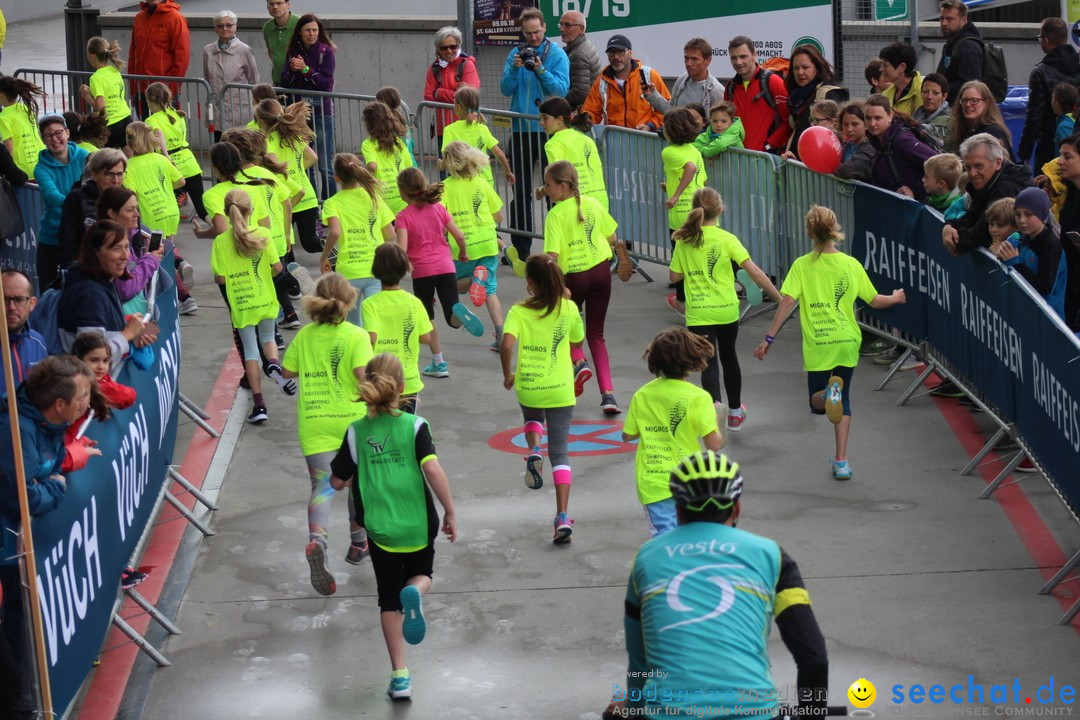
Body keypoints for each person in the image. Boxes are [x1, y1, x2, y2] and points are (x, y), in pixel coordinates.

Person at [608, 450, 829, 719]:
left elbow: (640, 659)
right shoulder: (772, 555)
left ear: (678, 509)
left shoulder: (647, 558)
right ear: (736, 508)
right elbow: (813, 659)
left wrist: (633, 709)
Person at [328, 352, 457, 701]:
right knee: (423, 573)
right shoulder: (416, 426)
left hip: (381, 529)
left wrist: (349, 477)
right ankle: (416, 589)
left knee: (388, 600)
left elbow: (337, 482)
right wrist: (450, 510)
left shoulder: (356, 432)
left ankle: (400, 676)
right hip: (417, 522)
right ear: (401, 388)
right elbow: (432, 470)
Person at [754, 205, 906, 480]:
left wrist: (769, 338)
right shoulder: (851, 264)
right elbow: (873, 300)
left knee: (817, 405)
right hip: (847, 340)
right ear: (835, 230)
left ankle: (826, 395)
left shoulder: (802, 265)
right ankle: (841, 461)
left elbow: (788, 301)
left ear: (809, 232)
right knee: (844, 399)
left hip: (819, 343)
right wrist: (895, 297)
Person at [0, 356, 92, 697]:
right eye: (82, 396)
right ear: (59, 404)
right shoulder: (15, 431)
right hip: (8, 557)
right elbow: (22, 496)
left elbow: (46, 467)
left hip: (15, 553)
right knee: (16, 661)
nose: (87, 401)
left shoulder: (44, 424)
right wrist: (55, 484)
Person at [280, 273, 374, 596]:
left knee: (322, 486)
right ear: (348, 302)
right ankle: (359, 543)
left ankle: (317, 539)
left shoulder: (305, 336)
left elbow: (286, 371)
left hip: (315, 422)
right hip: (352, 423)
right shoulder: (358, 336)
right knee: (360, 484)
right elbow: (364, 376)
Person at [670, 188, 781, 432]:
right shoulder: (728, 239)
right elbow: (754, 271)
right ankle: (734, 414)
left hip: (699, 311)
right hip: (726, 310)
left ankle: (714, 411)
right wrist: (778, 297)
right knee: (729, 356)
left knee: (708, 363)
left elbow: (674, 275)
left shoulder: (684, 241)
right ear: (720, 210)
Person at [499, 254, 584, 543]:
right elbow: (577, 342)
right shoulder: (569, 308)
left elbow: (506, 343)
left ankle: (534, 448)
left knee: (532, 418)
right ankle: (562, 516)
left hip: (529, 384)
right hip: (561, 388)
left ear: (531, 283)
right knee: (560, 453)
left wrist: (508, 374)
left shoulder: (518, 311)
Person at [542, 161, 627, 414]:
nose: (547, 190)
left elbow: (552, 257)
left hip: (573, 279)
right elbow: (613, 238)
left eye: (549, 185)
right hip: (601, 273)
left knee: (561, 324)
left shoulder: (555, 215)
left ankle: (578, 361)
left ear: (563, 186)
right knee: (596, 334)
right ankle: (608, 395)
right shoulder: (593, 204)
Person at [622, 328, 724, 538]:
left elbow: (628, 435)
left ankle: (665, 570)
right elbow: (714, 444)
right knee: (692, 538)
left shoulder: (643, 394)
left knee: (664, 539)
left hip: (654, 482)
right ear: (691, 358)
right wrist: (715, 419)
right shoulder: (700, 397)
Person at [211, 189, 295, 424]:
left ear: (227, 212)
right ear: (251, 210)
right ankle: (275, 366)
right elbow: (278, 268)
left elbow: (220, 279)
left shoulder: (220, 242)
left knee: (250, 352)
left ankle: (259, 404)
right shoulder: (263, 234)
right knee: (268, 338)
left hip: (241, 303)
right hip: (265, 298)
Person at [395, 167, 485, 378]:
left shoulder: (403, 217)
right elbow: (459, 235)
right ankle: (472, 282)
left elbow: (401, 248)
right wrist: (462, 253)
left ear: (402, 191)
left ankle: (439, 363)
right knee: (451, 313)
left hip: (423, 272)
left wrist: (397, 270)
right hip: (445, 266)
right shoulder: (438, 208)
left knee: (428, 319)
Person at [499, 7, 569, 260]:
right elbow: (505, 89)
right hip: (520, 130)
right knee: (520, 192)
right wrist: (516, 68)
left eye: (537, 32)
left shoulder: (557, 54)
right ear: (523, 32)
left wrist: (540, 69)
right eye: (528, 33)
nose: (533, 37)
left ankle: (558, 247)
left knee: (556, 191)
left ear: (544, 28)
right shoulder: (514, 54)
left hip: (549, 132)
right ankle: (520, 249)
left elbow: (560, 89)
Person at [57, 220, 155, 369]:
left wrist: (133, 334)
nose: (125, 256)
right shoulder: (90, 295)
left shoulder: (103, 281)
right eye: (116, 249)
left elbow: (103, 337)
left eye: (127, 247)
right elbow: (92, 358)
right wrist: (127, 334)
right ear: (96, 253)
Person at [319, 153, 395, 326]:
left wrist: (324, 257)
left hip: (349, 270)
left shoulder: (332, 203)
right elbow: (390, 235)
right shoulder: (373, 197)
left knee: (353, 325)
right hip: (376, 267)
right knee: (375, 322)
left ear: (336, 177)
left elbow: (335, 232)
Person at [441, 142, 505, 349]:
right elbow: (499, 216)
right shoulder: (482, 183)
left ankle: (470, 282)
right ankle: (501, 334)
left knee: (453, 286)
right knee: (490, 290)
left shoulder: (445, 187)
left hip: (463, 246)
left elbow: (440, 219)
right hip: (487, 243)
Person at [361, 242, 434, 414]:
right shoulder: (414, 302)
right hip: (407, 379)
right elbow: (426, 338)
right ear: (405, 270)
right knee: (405, 430)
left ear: (376, 271)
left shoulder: (370, 304)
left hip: (379, 379)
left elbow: (371, 338)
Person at [942, 133, 1032, 255]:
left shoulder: (1007, 188)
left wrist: (958, 240)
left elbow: (981, 232)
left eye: (978, 166)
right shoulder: (987, 182)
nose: (972, 173)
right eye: (968, 167)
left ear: (998, 163)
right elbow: (972, 216)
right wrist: (949, 225)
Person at [281, 13, 337, 202]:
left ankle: (329, 206)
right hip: (299, 114)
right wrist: (294, 70)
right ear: (300, 32)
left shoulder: (325, 51)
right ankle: (312, 204)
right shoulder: (293, 51)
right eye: (307, 30)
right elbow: (285, 81)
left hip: (321, 112)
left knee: (324, 164)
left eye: (315, 30)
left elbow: (325, 85)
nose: (311, 34)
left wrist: (305, 70)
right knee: (306, 161)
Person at [255, 98, 321, 255]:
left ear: (262, 122)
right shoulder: (293, 135)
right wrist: (297, 170)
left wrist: (286, 175)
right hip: (306, 196)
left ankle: (290, 274)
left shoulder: (268, 142)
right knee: (309, 242)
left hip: (287, 198)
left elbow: (277, 170)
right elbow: (313, 158)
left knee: (285, 244)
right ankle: (330, 252)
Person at [35, 115, 90, 290]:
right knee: (49, 291)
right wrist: (77, 204)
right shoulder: (41, 168)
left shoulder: (85, 156)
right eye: (48, 136)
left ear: (67, 133)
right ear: (43, 140)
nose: (55, 139)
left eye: (58, 133)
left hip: (82, 235)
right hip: (52, 236)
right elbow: (52, 196)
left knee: (80, 290)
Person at [996, 187, 1068, 320]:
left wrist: (1014, 264)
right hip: (1025, 314)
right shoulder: (1023, 238)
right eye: (1017, 214)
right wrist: (1002, 256)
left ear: (1041, 215)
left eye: (1028, 214)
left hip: (1047, 320)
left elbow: (1044, 288)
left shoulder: (1050, 246)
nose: (1022, 220)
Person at [1019, 18, 1080, 171]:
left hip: (1048, 146)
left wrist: (1023, 153)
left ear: (1046, 41)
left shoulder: (1040, 73)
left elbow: (1034, 118)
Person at [661, 108, 706, 313]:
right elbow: (700, 177)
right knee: (699, 255)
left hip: (682, 212)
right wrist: (670, 186)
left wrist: (675, 195)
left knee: (679, 259)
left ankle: (682, 301)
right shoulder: (694, 149)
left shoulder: (669, 152)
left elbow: (690, 168)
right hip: (701, 208)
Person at [57, 148, 128, 271]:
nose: (116, 181)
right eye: (109, 174)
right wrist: (71, 276)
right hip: (88, 273)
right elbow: (67, 243)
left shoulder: (128, 198)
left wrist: (131, 270)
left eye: (120, 174)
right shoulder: (76, 199)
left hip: (122, 275)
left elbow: (136, 240)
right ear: (94, 175)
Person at [144, 82, 206, 221]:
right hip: (189, 163)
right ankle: (219, 227)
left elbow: (158, 135)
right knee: (201, 207)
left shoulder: (151, 120)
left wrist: (165, 155)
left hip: (171, 166)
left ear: (151, 101)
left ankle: (168, 236)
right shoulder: (178, 115)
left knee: (166, 206)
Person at [582, 34, 668, 130]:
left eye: (620, 52)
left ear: (630, 53)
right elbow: (591, 112)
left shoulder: (650, 76)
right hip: (614, 141)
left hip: (644, 140)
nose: (616, 57)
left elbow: (668, 110)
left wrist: (651, 126)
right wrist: (583, 120)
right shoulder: (602, 81)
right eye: (611, 53)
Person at [863, 94, 938, 201]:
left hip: (916, 206)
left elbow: (938, 163)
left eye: (878, 118)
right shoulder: (877, 141)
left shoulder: (902, 140)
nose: (872, 123)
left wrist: (916, 191)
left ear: (890, 116)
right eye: (868, 118)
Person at [724, 36, 790, 153]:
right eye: (734, 58)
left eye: (743, 56)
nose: (738, 62)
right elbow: (724, 121)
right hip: (737, 158)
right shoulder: (730, 87)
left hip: (766, 159)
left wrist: (768, 145)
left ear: (754, 55)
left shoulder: (772, 81)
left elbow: (788, 121)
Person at [439, 86, 514, 189]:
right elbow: (499, 153)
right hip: (485, 180)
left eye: (454, 103)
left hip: (463, 181)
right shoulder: (483, 128)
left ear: (459, 107)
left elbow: (446, 157)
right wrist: (508, 171)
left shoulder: (449, 130)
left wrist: (441, 165)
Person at [538, 96, 605, 209]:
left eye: (545, 118)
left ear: (559, 119)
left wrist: (542, 190)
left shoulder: (553, 144)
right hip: (599, 202)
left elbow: (557, 179)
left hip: (573, 206)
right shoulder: (587, 140)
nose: (541, 122)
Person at [203, 10, 260, 140]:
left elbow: (254, 79)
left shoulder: (244, 50)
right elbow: (207, 78)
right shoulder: (208, 51)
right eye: (220, 25)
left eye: (229, 25)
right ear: (215, 28)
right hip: (217, 106)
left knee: (239, 146)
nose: (224, 28)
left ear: (235, 27)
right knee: (219, 144)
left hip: (239, 108)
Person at [783, 44, 848, 158]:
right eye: (796, 68)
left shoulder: (829, 94)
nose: (800, 72)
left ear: (817, 67)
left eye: (805, 67)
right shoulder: (796, 99)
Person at [128, 0, 190, 118]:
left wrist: (170, 91)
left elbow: (182, 59)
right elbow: (133, 55)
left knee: (165, 133)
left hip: (163, 92)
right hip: (141, 92)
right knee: (145, 133)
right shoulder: (139, 18)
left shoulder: (176, 18)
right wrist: (133, 88)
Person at [122, 121, 184, 238]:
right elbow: (181, 181)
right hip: (171, 211)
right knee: (168, 247)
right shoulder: (162, 159)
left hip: (151, 217)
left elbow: (131, 194)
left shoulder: (129, 166)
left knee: (153, 253)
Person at [423, 26, 480, 141]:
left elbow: (469, 98)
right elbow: (428, 98)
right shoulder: (434, 68)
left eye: (453, 47)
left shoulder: (467, 65)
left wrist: (439, 93)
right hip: (443, 130)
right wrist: (457, 94)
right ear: (438, 49)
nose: (449, 51)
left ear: (458, 45)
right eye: (444, 48)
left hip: (466, 127)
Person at [644, 38, 723, 116]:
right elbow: (671, 112)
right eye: (686, 58)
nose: (689, 63)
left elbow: (719, 124)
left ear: (708, 60)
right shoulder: (682, 79)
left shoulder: (716, 90)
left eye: (694, 59)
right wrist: (652, 94)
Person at [362, 101, 415, 215]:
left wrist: (362, 175)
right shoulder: (399, 143)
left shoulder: (368, 144)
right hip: (402, 197)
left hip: (383, 198)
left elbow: (372, 165)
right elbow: (409, 168)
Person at [79, 37, 132, 150]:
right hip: (126, 117)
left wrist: (87, 96)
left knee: (106, 160)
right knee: (130, 155)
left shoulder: (96, 77)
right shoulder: (115, 70)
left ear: (92, 56)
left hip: (111, 123)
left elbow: (101, 107)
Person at [0, 270, 47, 388]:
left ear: (32, 303)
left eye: (19, 300)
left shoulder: (39, 343)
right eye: (5, 299)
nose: (11, 307)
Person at [946, 80, 1015, 161]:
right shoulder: (962, 129)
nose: (968, 104)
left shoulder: (993, 132)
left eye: (974, 100)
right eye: (964, 100)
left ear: (986, 103)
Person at [935, 0, 985, 102]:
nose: (944, 23)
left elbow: (970, 85)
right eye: (941, 19)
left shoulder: (967, 47)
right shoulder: (953, 43)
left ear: (963, 21)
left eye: (949, 19)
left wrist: (939, 91)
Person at [0, 76, 46, 178]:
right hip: (41, 162)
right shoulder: (25, 108)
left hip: (23, 169)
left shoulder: (3, 117)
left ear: (1, 95)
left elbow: (9, 148)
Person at [559, 11, 599, 109]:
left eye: (567, 25)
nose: (562, 29)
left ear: (580, 29)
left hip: (578, 115)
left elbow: (580, 92)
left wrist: (557, 104)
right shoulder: (585, 44)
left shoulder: (578, 54)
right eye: (561, 24)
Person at [879, 42, 924, 116]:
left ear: (901, 67)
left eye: (885, 65)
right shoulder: (885, 95)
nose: (881, 69)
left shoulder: (923, 91)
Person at [263, 0, 300, 84]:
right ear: (267, 7)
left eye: (279, 3)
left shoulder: (300, 23)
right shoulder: (267, 28)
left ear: (288, 4)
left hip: (298, 85)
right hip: (278, 82)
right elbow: (271, 52)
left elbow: (328, 48)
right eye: (271, 4)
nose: (275, 7)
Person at [912, 72, 951, 150]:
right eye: (925, 92)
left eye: (935, 93)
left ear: (944, 96)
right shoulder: (917, 113)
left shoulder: (949, 119)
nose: (929, 97)